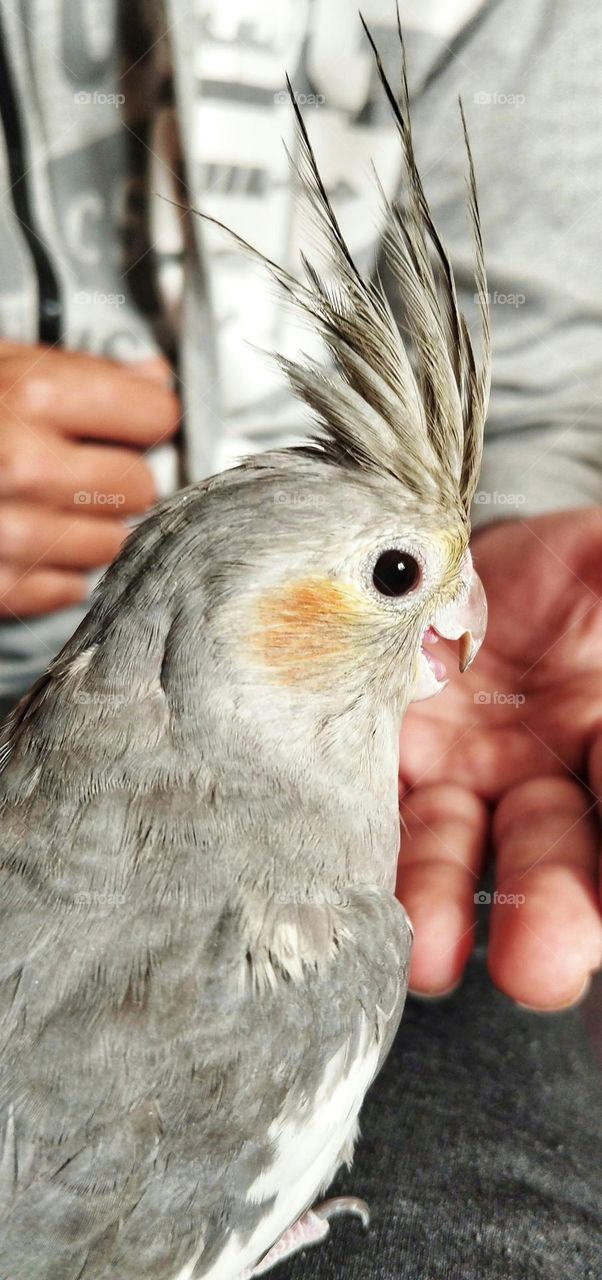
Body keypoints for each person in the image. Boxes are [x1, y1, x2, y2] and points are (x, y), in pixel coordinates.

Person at [0, 1, 600, 1275]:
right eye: (396, 575)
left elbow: (544, 374)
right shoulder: (318, 948)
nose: (456, 610)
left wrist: (520, 510)